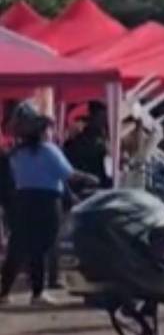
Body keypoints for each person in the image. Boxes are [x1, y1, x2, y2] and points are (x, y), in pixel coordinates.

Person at [0, 104, 98, 306]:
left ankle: (4, 292)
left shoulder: (16, 154)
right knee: (42, 247)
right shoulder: (48, 150)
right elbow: (68, 174)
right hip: (47, 201)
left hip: (22, 200)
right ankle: (37, 293)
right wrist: (90, 178)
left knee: (17, 246)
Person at [64, 101, 112, 193]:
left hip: (86, 184)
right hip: (92, 184)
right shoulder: (97, 141)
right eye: (102, 118)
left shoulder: (100, 140)